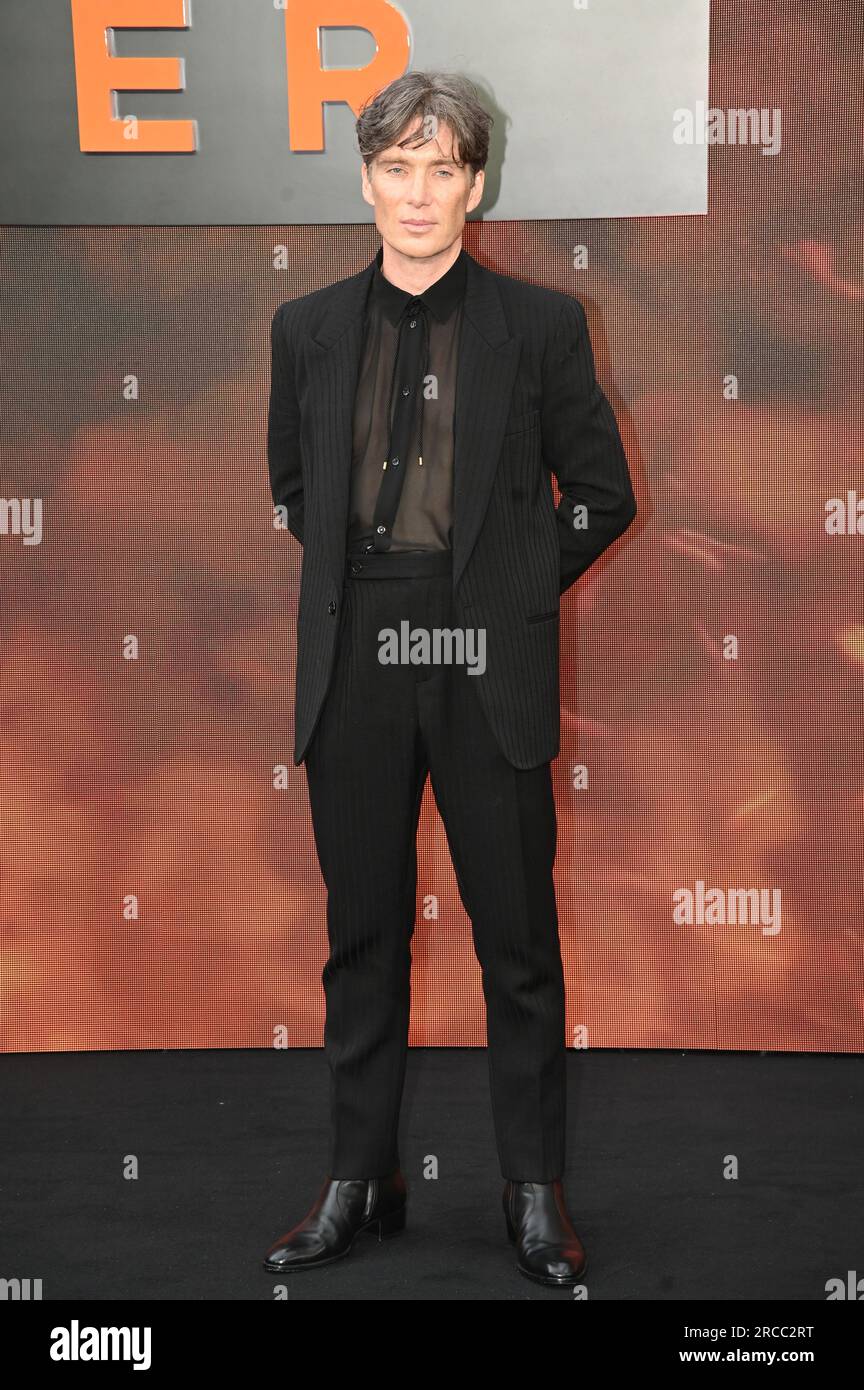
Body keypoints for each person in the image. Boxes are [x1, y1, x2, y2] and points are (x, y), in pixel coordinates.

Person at [263, 71, 636, 1287]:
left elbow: (603, 494)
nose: (417, 194)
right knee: (361, 935)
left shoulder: (541, 325)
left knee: (516, 940)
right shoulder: (306, 329)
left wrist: (510, 588)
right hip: (356, 651)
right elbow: (294, 494)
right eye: (395, 168)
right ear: (366, 180)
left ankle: (534, 1194)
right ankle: (357, 1183)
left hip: (484, 653)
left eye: (442, 169)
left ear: (477, 184)